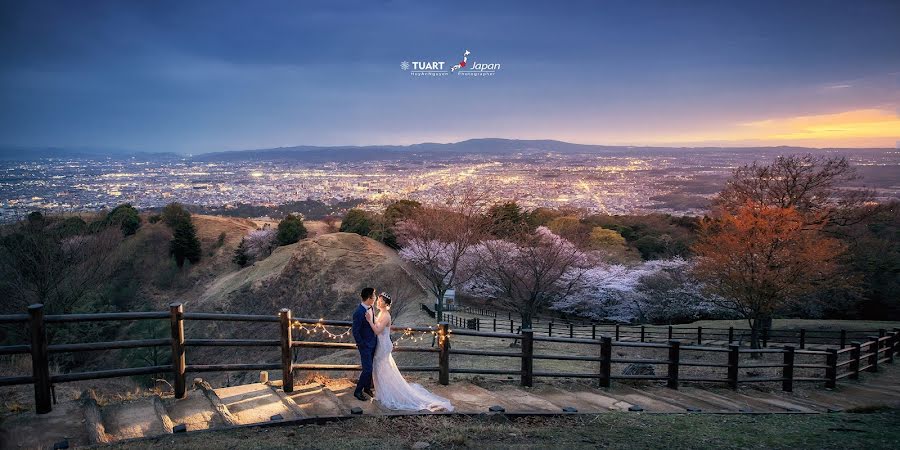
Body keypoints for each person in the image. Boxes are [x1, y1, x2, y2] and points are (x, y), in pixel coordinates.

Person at [365, 292, 454, 412]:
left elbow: (377, 331)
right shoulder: (381, 313)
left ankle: (388, 393)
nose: (378, 302)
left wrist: (370, 321)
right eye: (378, 300)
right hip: (381, 344)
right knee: (381, 368)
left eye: (380, 300)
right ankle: (383, 392)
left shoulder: (386, 315)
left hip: (383, 345)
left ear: (386, 304)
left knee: (382, 368)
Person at [351, 287, 377, 401]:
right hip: (365, 345)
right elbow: (355, 331)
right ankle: (358, 391)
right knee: (367, 369)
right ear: (369, 298)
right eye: (374, 296)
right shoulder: (359, 312)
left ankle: (367, 388)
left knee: (371, 368)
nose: (375, 298)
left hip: (373, 344)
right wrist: (362, 344)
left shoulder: (371, 308)